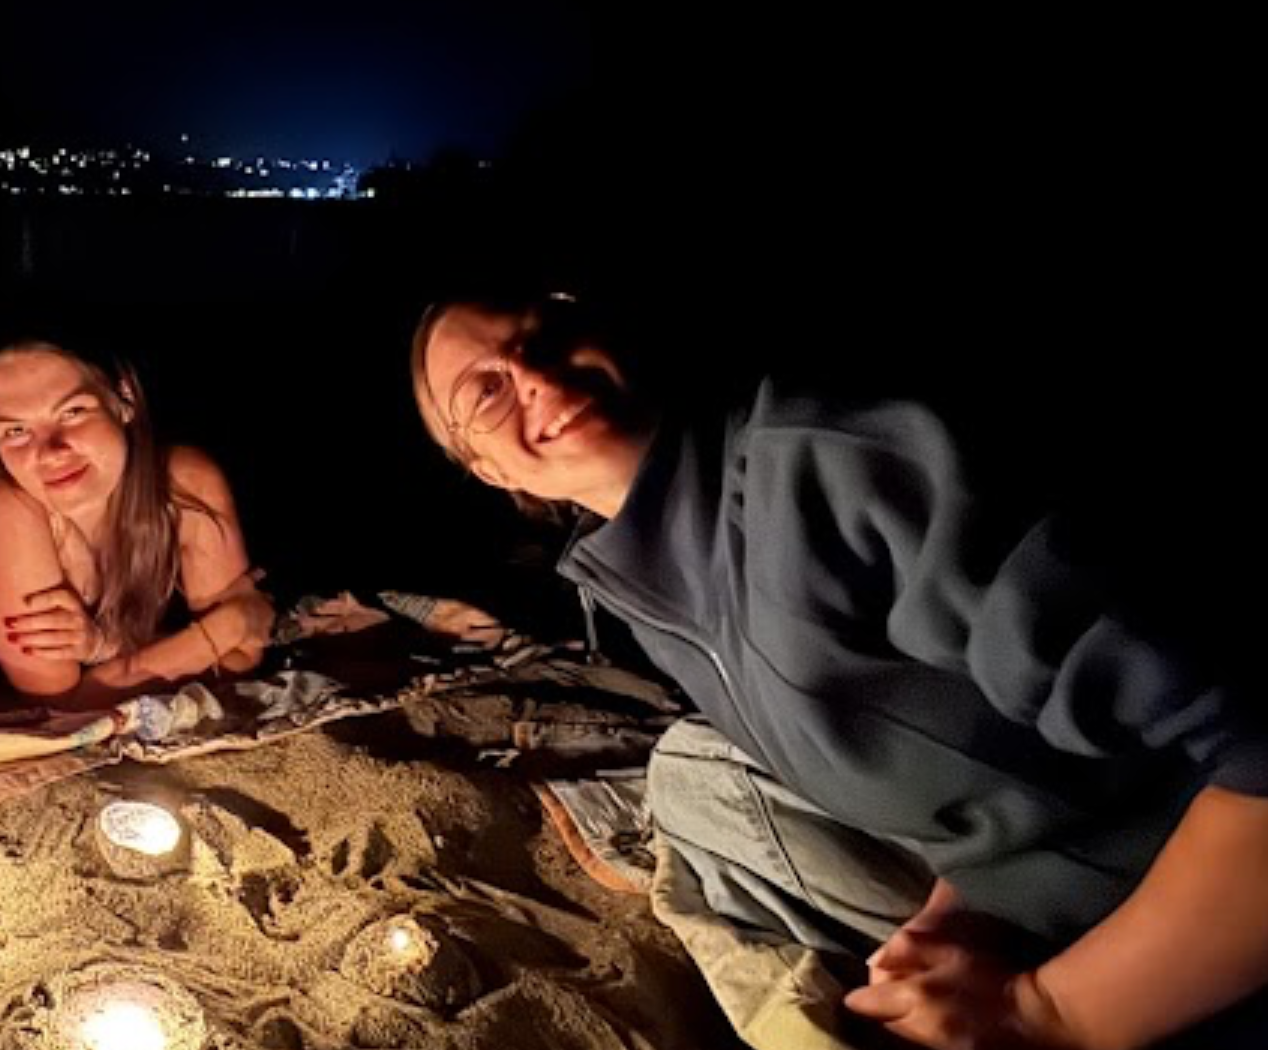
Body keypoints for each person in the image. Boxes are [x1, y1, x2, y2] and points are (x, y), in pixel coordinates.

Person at [409, 288, 1266, 1048]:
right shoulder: (645, 581)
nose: (528, 369)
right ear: (488, 471)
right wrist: (965, 913)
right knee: (688, 778)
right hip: (1041, 892)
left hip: (1193, 904)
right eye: (482, 390)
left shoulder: (843, 466)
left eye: (545, 325)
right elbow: (979, 766)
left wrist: (1052, 1012)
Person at [0, 340, 271, 709]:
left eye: (73, 412)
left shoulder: (185, 484)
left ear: (121, 397)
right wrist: (227, 627)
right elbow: (62, 709)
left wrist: (106, 652)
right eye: (16, 431)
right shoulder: (2, 509)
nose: (51, 451)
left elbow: (239, 663)